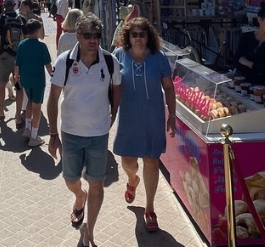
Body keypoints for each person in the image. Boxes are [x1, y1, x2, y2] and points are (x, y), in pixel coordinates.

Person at [47, 13, 122, 247]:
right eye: (88, 35)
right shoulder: (65, 62)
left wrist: (112, 116)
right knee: (70, 179)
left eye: (97, 36)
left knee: (96, 182)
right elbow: (53, 98)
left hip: (98, 134)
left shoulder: (110, 61)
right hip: (70, 133)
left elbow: (117, 90)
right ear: (78, 36)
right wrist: (52, 134)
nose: (93, 40)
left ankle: (90, 231)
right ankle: (80, 197)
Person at [112, 17, 176, 233]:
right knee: (128, 161)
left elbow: (168, 88)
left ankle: (150, 208)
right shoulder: (118, 56)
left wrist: (172, 115)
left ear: (149, 36)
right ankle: (132, 180)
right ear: (128, 37)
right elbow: (108, 86)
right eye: (134, 34)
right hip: (128, 117)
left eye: (142, 34)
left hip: (153, 117)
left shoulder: (159, 58)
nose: (138, 38)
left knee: (151, 161)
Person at [13, 19, 53, 147]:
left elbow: (17, 63)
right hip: (38, 80)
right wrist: (53, 75)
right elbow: (48, 65)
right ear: (37, 30)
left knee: (29, 102)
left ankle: (27, 129)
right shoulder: (42, 46)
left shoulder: (22, 44)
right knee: (37, 106)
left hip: (25, 79)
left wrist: (16, 78)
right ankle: (34, 137)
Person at [0, 0, 26, 121]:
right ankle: (18, 115)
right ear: (15, 4)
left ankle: (1, 111)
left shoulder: (2, 19)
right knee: (18, 85)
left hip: (5, 55)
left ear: (4, 5)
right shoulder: (21, 19)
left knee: (2, 83)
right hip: (18, 57)